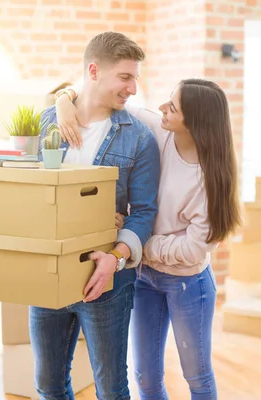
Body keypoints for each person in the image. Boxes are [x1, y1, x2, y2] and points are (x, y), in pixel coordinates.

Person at [56, 78, 242, 400]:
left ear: (194, 121)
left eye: (173, 106)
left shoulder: (210, 181)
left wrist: (135, 238)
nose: (161, 108)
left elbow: (193, 248)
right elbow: (104, 92)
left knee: (196, 376)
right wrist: (63, 100)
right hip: (145, 277)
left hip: (187, 283)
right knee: (145, 375)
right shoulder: (159, 130)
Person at [31, 31, 160, 400]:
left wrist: (115, 259)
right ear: (93, 71)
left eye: (135, 78)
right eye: (125, 77)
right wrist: (63, 98)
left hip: (107, 283)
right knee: (49, 385)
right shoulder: (46, 125)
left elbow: (144, 211)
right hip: (47, 276)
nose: (133, 88)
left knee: (112, 390)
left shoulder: (138, 138)